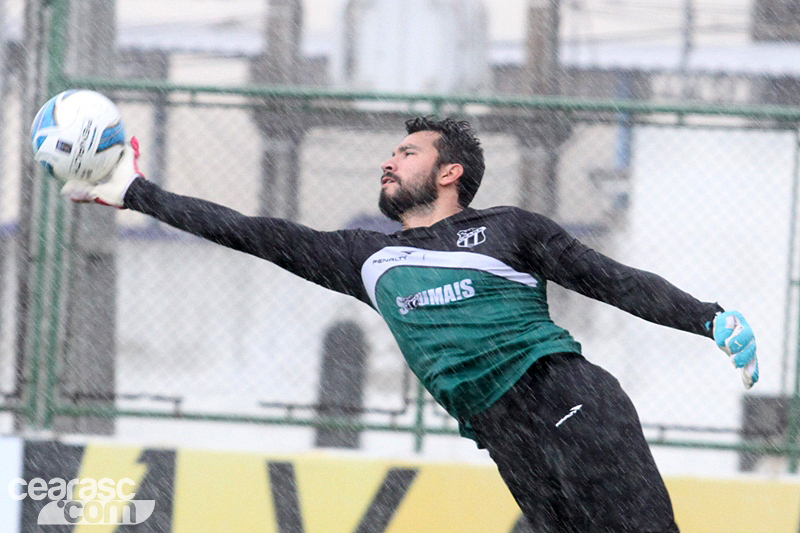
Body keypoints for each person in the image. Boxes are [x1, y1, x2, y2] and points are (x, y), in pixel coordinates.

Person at [62, 117, 758, 532]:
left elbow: (614, 280)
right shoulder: (367, 258)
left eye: (409, 152)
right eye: (391, 154)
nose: (389, 160)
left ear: (450, 171)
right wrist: (135, 192)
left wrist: (708, 317)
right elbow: (252, 231)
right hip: (508, 440)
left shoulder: (507, 229)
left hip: (573, 404)